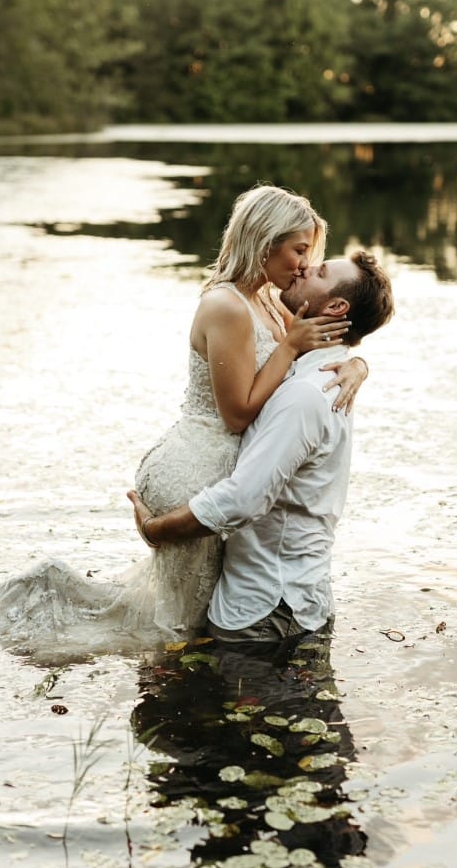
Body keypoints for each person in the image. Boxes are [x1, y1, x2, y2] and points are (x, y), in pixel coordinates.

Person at [0, 185, 370, 660]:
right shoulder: (227, 306)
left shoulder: (269, 300)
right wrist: (289, 348)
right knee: (177, 629)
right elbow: (238, 413)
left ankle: (185, 697)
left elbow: (308, 364)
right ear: (264, 240)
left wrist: (357, 366)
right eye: (299, 250)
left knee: (188, 620)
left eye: (310, 254)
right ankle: (165, 699)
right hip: (197, 465)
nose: (305, 265)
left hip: (227, 466)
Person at [128, 250, 394, 643]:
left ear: (336, 306)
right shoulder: (324, 370)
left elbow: (242, 500)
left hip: (263, 613)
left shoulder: (306, 393)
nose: (305, 266)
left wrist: (155, 530)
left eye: (319, 271)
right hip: (291, 601)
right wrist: (361, 364)